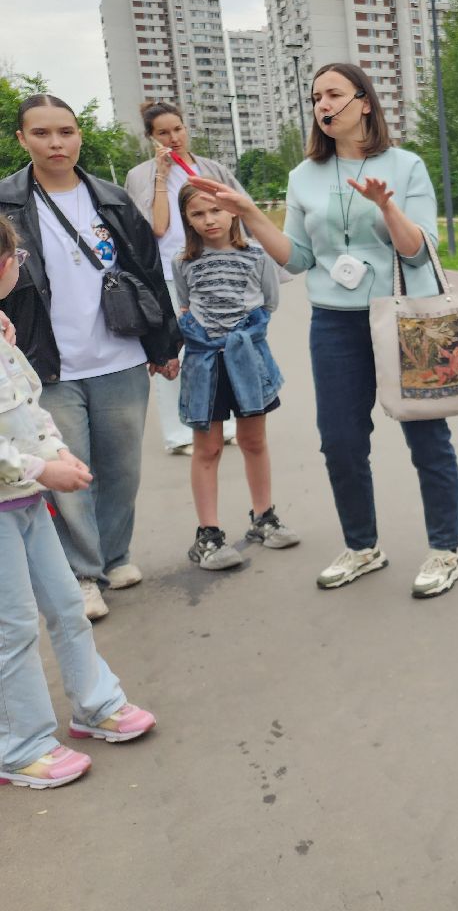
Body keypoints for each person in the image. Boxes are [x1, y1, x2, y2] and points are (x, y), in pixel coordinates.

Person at [198, 62, 458, 599]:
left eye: (334, 94)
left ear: (364, 102)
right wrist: (249, 213)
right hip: (334, 325)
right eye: (316, 96)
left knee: (426, 435)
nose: (323, 105)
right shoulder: (303, 176)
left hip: (402, 315)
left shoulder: (406, 165)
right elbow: (296, 260)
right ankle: (363, 545)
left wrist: (386, 207)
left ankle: (445, 550)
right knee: (341, 443)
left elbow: (417, 251)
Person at [0, 95, 179, 621]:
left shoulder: (112, 199)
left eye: (66, 131)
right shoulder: (7, 203)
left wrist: (163, 346)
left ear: (79, 136)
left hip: (119, 359)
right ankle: (82, 574)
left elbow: (148, 273)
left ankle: (116, 556)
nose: (57, 143)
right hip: (46, 364)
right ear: (22, 139)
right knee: (68, 472)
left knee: (122, 470)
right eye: (42, 133)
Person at [0, 214, 156, 789]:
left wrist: (56, 453)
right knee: (11, 627)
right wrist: (43, 467)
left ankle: (95, 703)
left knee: (66, 603)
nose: (20, 266)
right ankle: (18, 745)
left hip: (25, 501)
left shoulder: (3, 330)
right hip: (8, 501)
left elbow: (28, 404)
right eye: (16, 258)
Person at [172, 183, 296, 571]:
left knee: (253, 441)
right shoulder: (182, 262)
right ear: (187, 220)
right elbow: (185, 305)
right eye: (198, 214)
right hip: (204, 365)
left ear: (233, 212)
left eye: (216, 211)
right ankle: (208, 534)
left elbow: (270, 302)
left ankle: (264, 517)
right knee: (207, 449)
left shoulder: (257, 256)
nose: (209, 220)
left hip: (248, 361)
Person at [124, 101, 242, 455]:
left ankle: (226, 422)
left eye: (178, 129)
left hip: (213, 268)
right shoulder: (140, 175)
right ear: (151, 138)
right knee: (173, 351)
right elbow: (156, 227)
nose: (173, 138)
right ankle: (180, 434)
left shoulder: (210, 169)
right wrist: (161, 175)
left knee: (219, 345)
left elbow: (237, 216)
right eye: (163, 132)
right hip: (168, 273)